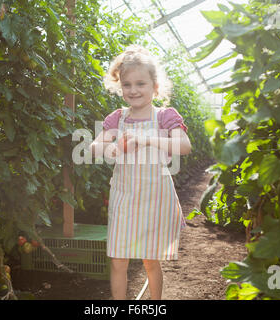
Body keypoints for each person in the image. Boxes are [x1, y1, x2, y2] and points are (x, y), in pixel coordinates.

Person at [90, 45, 192, 300]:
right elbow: (93, 148)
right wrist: (112, 149)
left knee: (150, 260)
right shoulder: (117, 118)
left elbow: (184, 146)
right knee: (118, 259)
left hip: (154, 198)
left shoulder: (165, 116)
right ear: (120, 86)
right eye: (127, 84)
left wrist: (148, 139)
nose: (133, 90)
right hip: (124, 197)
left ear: (155, 86)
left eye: (141, 83)